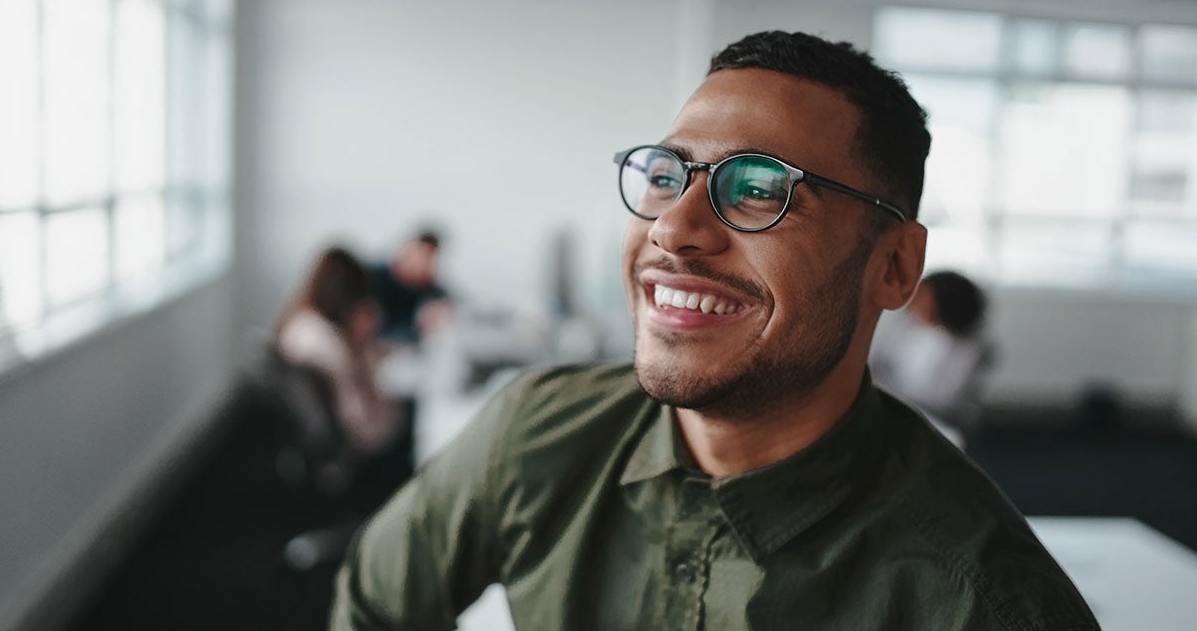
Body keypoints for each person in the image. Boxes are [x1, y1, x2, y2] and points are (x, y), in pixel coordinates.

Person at [331, 32, 1098, 630]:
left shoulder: (981, 602)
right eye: (667, 175)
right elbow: (374, 607)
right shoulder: (537, 433)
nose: (673, 226)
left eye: (760, 188)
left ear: (895, 266)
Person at [276, 247, 404, 473]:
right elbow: (361, 421)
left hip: (314, 435)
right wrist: (362, 345)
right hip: (351, 445)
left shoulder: (302, 321)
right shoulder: (329, 344)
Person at [870, 270, 992, 430]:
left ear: (945, 301)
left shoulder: (967, 349)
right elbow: (880, 360)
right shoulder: (905, 324)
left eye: (922, 297)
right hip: (892, 407)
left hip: (932, 422)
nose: (913, 300)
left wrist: (885, 388)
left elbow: (941, 400)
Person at [371, 230, 452, 344]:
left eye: (429, 258)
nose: (421, 263)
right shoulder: (374, 277)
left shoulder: (432, 294)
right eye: (420, 254)